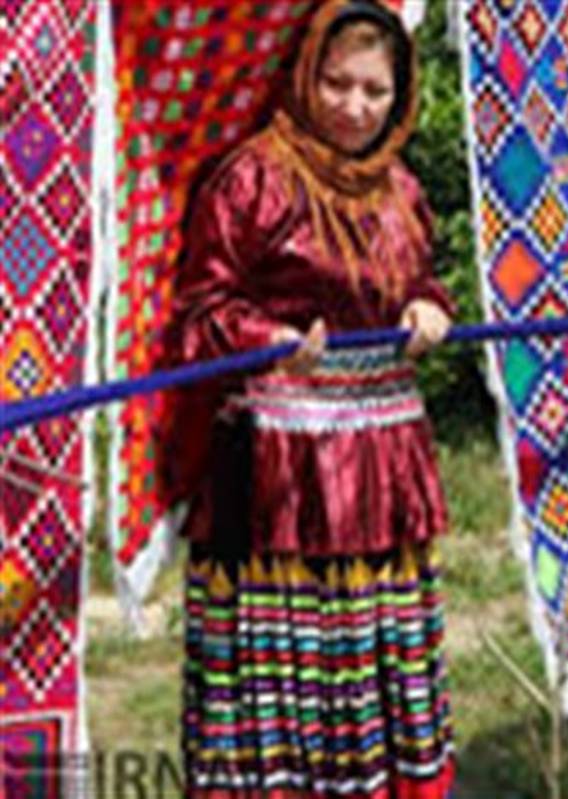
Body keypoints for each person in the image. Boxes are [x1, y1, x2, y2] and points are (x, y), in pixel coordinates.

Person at [163, 1, 456, 794]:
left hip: (383, 471)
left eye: (375, 90)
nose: (355, 107)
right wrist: (269, 337)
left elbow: (418, 280)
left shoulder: (402, 191)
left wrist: (430, 307)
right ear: (304, 73)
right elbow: (200, 312)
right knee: (278, 679)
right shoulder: (252, 179)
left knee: (376, 660)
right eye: (337, 83)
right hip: (277, 478)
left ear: (400, 94)